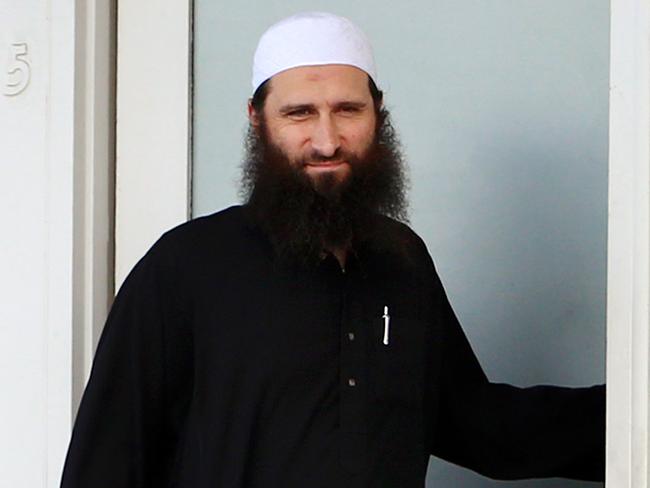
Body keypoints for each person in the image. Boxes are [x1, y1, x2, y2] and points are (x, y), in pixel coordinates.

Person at [60, 11, 605, 488]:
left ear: (378, 112)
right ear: (257, 118)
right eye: (299, 114)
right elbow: (107, 462)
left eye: (348, 110)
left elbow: (478, 425)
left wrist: (629, 412)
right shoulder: (184, 267)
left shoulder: (403, 260)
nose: (326, 140)